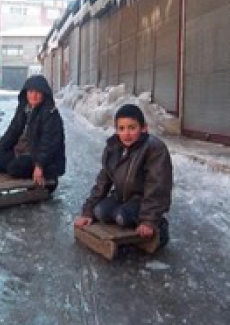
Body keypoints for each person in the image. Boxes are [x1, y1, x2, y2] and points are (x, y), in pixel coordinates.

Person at [73, 103, 172, 248]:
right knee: (99, 212)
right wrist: (87, 212)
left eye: (132, 128)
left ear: (143, 128)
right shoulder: (113, 148)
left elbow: (157, 186)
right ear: (116, 130)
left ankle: (160, 227)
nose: (127, 133)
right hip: (121, 198)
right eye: (122, 128)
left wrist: (148, 220)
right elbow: (103, 181)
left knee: (121, 216)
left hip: (142, 201)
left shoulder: (154, 149)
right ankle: (128, 220)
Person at [0, 75, 65, 193]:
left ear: (44, 94)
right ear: (26, 93)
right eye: (31, 92)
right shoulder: (24, 109)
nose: (33, 96)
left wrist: (40, 166)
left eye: (38, 92)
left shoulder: (50, 113)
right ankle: (24, 165)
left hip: (46, 160)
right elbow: (11, 133)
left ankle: (48, 176)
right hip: (25, 153)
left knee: (15, 168)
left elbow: (49, 144)